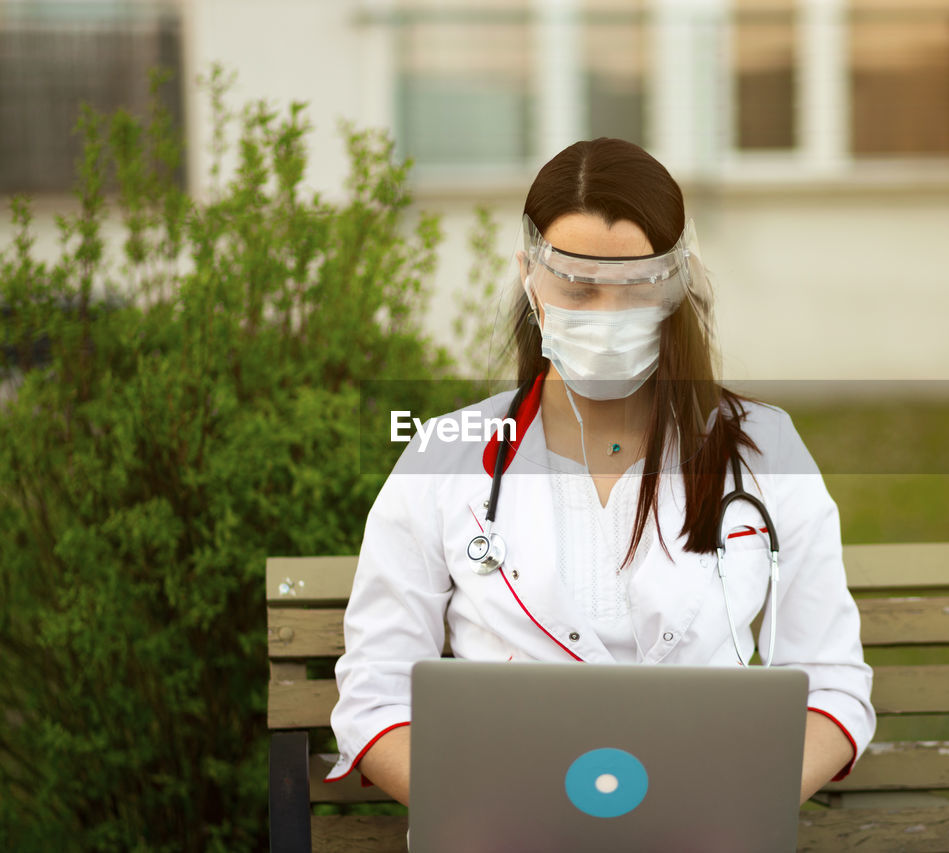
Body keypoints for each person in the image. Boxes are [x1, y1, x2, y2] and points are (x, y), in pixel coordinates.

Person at [326, 138, 875, 810]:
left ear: (680, 280)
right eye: (579, 287)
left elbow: (832, 686)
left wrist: (731, 810)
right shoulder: (446, 456)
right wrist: (490, 814)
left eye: (636, 286)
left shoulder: (762, 450)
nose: (607, 316)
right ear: (529, 276)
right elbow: (375, 697)